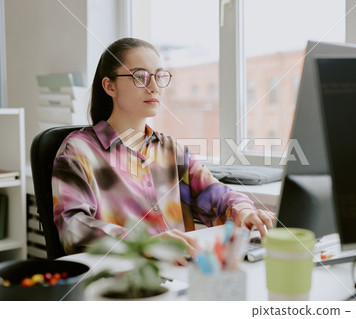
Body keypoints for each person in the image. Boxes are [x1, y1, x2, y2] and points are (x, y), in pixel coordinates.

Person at [52, 37, 274, 264]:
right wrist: (145, 243)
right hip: (125, 282)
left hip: (181, 271)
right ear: (110, 86)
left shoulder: (171, 150)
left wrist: (244, 211)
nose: (154, 87)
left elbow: (216, 194)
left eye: (159, 76)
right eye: (140, 77)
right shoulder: (78, 151)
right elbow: (73, 227)